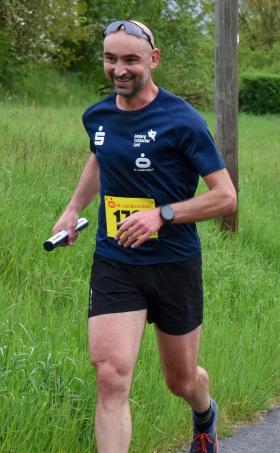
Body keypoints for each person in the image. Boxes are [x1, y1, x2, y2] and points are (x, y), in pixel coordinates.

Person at [51, 20, 237, 453]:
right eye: (111, 59)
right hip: (116, 261)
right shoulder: (96, 115)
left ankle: (204, 412)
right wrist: (73, 208)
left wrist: (163, 215)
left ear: (152, 60)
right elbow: (100, 158)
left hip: (173, 264)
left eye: (130, 60)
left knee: (181, 380)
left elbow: (225, 197)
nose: (119, 69)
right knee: (110, 375)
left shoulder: (182, 121)